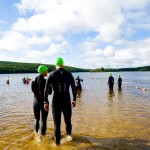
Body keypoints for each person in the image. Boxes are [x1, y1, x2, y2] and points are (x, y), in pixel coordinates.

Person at [44, 57, 76, 146]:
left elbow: (46, 90)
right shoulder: (69, 74)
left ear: (56, 65)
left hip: (56, 101)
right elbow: (74, 87)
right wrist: (74, 99)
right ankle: (69, 139)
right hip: (66, 100)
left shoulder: (51, 74)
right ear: (63, 65)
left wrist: (45, 102)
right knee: (68, 121)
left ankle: (57, 144)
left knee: (57, 124)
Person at [31, 65, 50, 142]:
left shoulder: (33, 81)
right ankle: (43, 136)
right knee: (44, 120)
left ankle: (36, 136)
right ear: (43, 72)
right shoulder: (46, 81)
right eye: (46, 70)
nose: (47, 72)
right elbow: (50, 92)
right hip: (44, 102)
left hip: (35, 102)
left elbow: (33, 91)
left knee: (36, 119)